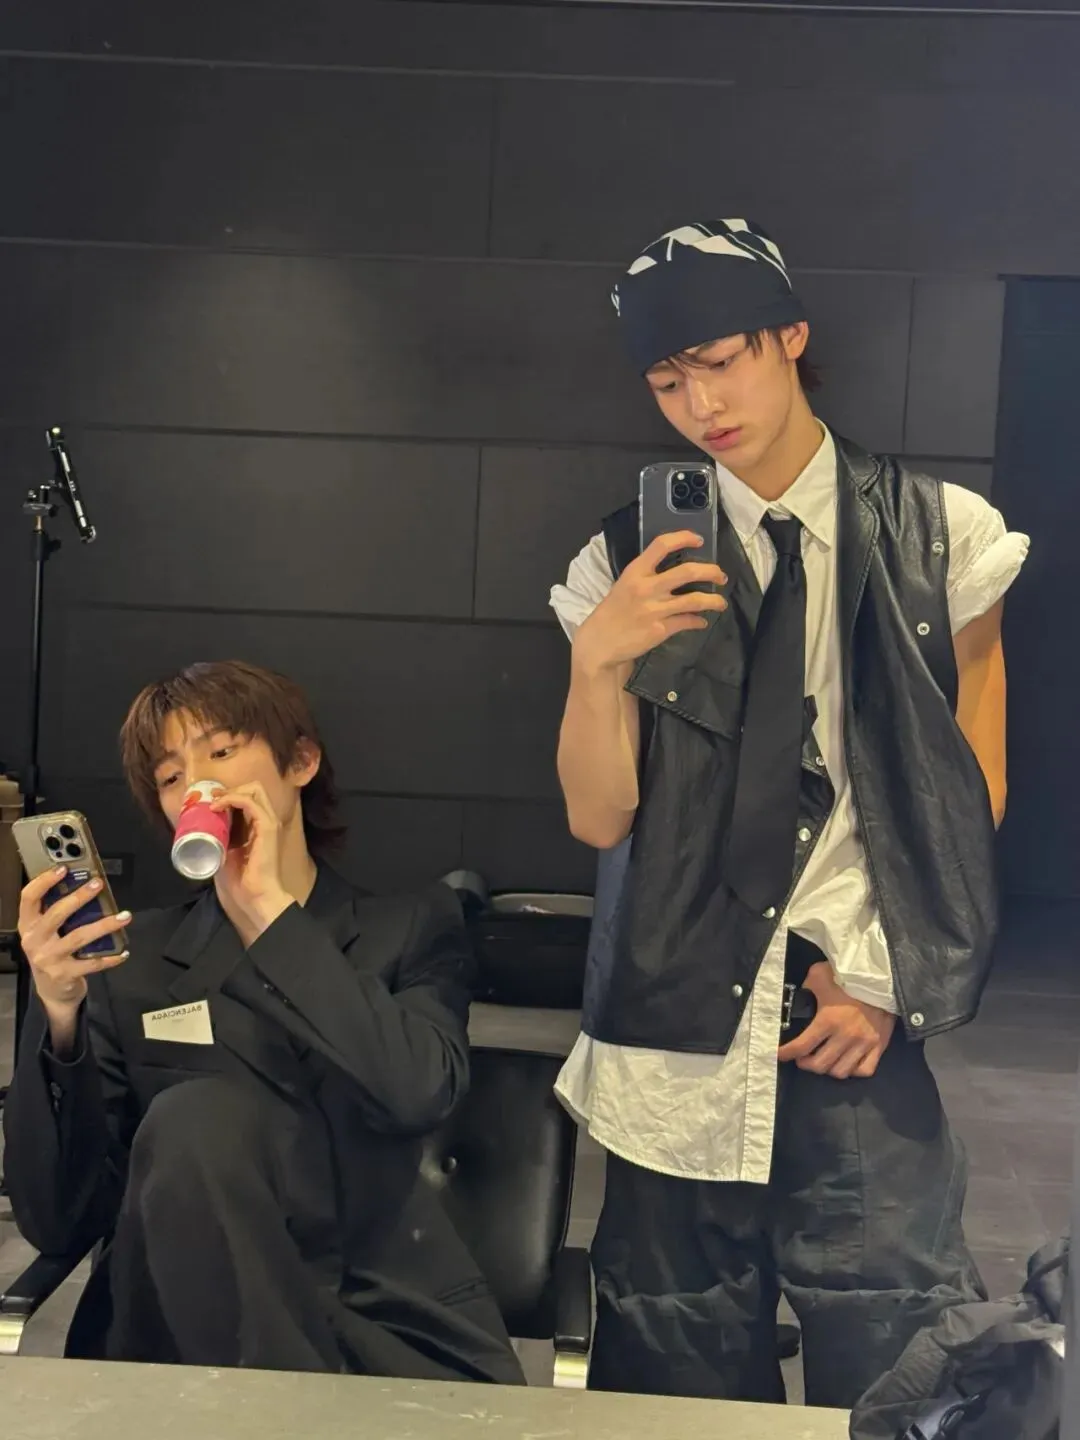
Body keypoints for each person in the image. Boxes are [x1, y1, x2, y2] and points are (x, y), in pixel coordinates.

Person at [550, 219, 1029, 1408]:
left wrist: (890, 975)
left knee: (901, 1350)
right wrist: (599, 664)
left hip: (851, 1008)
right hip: (671, 1027)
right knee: (672, 1368)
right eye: (668, 381)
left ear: (791, 336)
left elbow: (970, 790)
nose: (701, 404)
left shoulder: (942, 535)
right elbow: (601, 820)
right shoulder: (622, 561)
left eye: (722, 361)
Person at [3, 659, 523, 1384]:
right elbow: (60, 1219)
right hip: (180, 1328)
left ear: (300, 762)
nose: (198, 785)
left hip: (373, 1318)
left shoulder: (410, 927)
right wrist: (58, 1015)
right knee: (195, 1119)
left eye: (221, 750)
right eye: (171, 776)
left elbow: (417, 1091)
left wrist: (267, 913)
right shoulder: (133, 959)